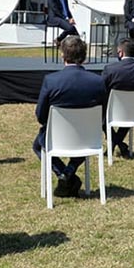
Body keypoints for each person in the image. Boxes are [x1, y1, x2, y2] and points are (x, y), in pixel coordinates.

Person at [33, 35, 107, 197]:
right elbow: (103, 113)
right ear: (84, 56)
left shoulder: (51, 81)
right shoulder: (98, 82)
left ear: (62, 55)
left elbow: (40, 115)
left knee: (38, 145)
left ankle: (62, 173)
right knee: (84, 142)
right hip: (88, 137)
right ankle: (69, 172)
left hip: (57, 137)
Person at [102, 38, 134, 159]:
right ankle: (120, 144)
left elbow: (101, 91)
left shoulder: (110, 70)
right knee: (130, 110)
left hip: (113, 111)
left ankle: (115, 143)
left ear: (120, 52)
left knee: (100, 115)